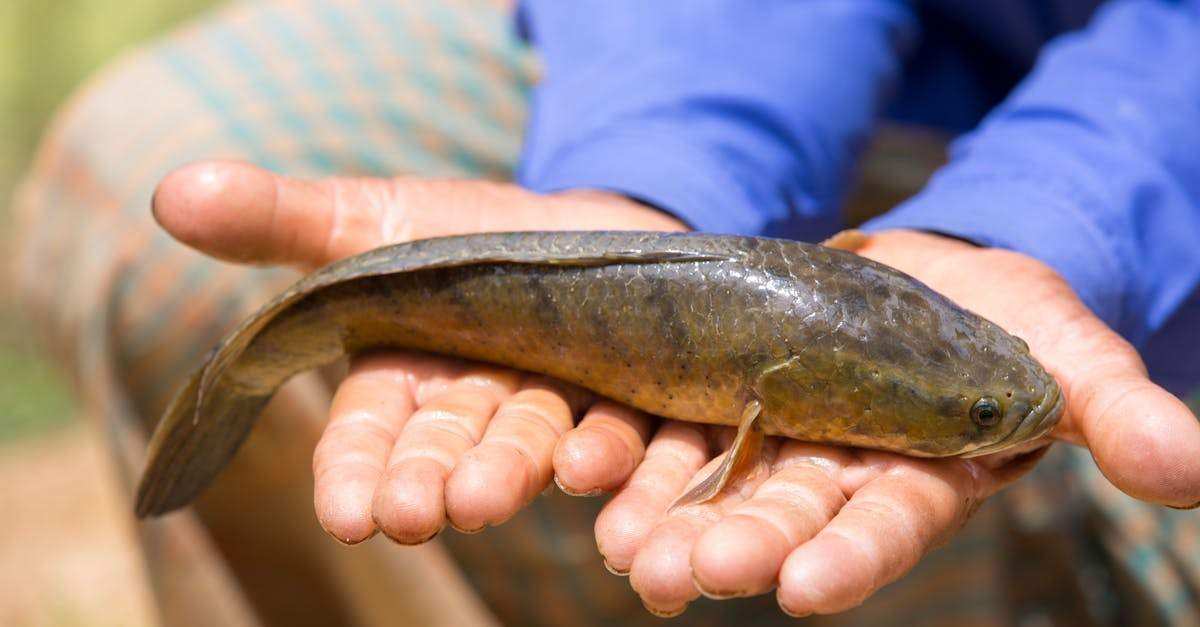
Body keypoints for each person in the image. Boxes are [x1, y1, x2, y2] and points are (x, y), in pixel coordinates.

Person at [14, 0, 1200, 625]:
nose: (1005, 408)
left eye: (985, 400)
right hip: (774, 70)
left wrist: (1046, 224)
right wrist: (654, 170)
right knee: (146, 185)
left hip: (1145, 168)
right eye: (982, 404)